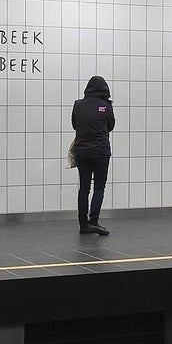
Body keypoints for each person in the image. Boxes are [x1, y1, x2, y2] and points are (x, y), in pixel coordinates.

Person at [71, 75, 116, 235]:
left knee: (84, 188)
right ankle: (93, 221)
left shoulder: (78, 105)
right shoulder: (106, 106)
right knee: (99, 187)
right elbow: (111, 126)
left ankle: (83, 224)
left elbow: (75, 125)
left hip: (81, 151)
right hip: (100, 152)